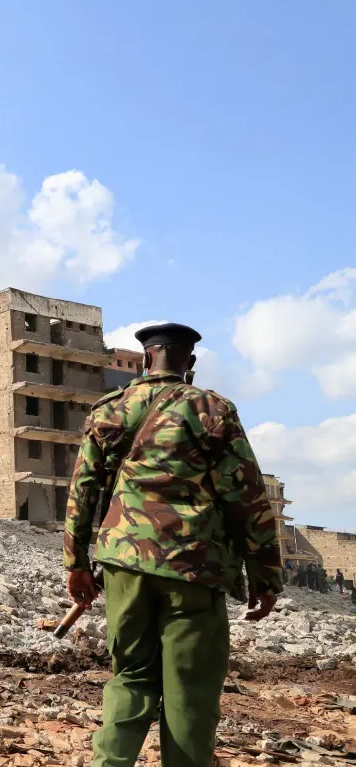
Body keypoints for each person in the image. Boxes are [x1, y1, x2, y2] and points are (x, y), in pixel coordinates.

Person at [63, 323, 281, 767]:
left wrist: (76, 563)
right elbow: (247, 496)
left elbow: (82, 489)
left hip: (123, 564)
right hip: (194, 568)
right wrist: (264, 574)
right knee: (190, 690)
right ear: (191, 365)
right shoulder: (211, 410)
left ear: (146, 360)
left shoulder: (111, 409)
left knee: (129, 677)